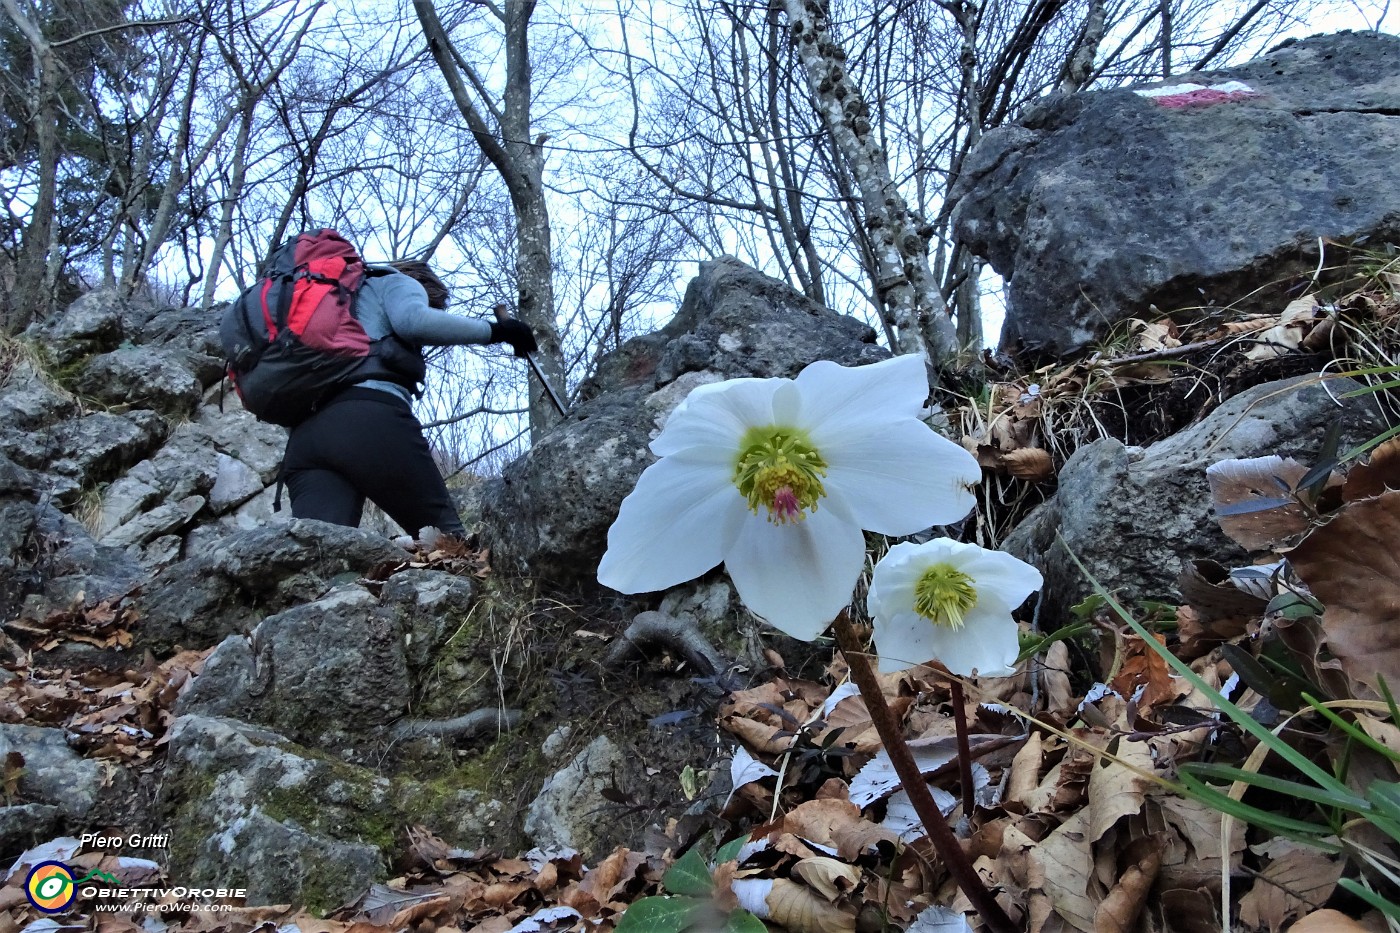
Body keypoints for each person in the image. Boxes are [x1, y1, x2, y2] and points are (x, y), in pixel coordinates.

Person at [280, 259, 536, 540]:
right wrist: (498, 331)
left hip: (306, 438)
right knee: (449, 542)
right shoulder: (396, 282)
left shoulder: (340, 300)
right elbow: (413, 322)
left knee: (320, 553)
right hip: (366, 421)